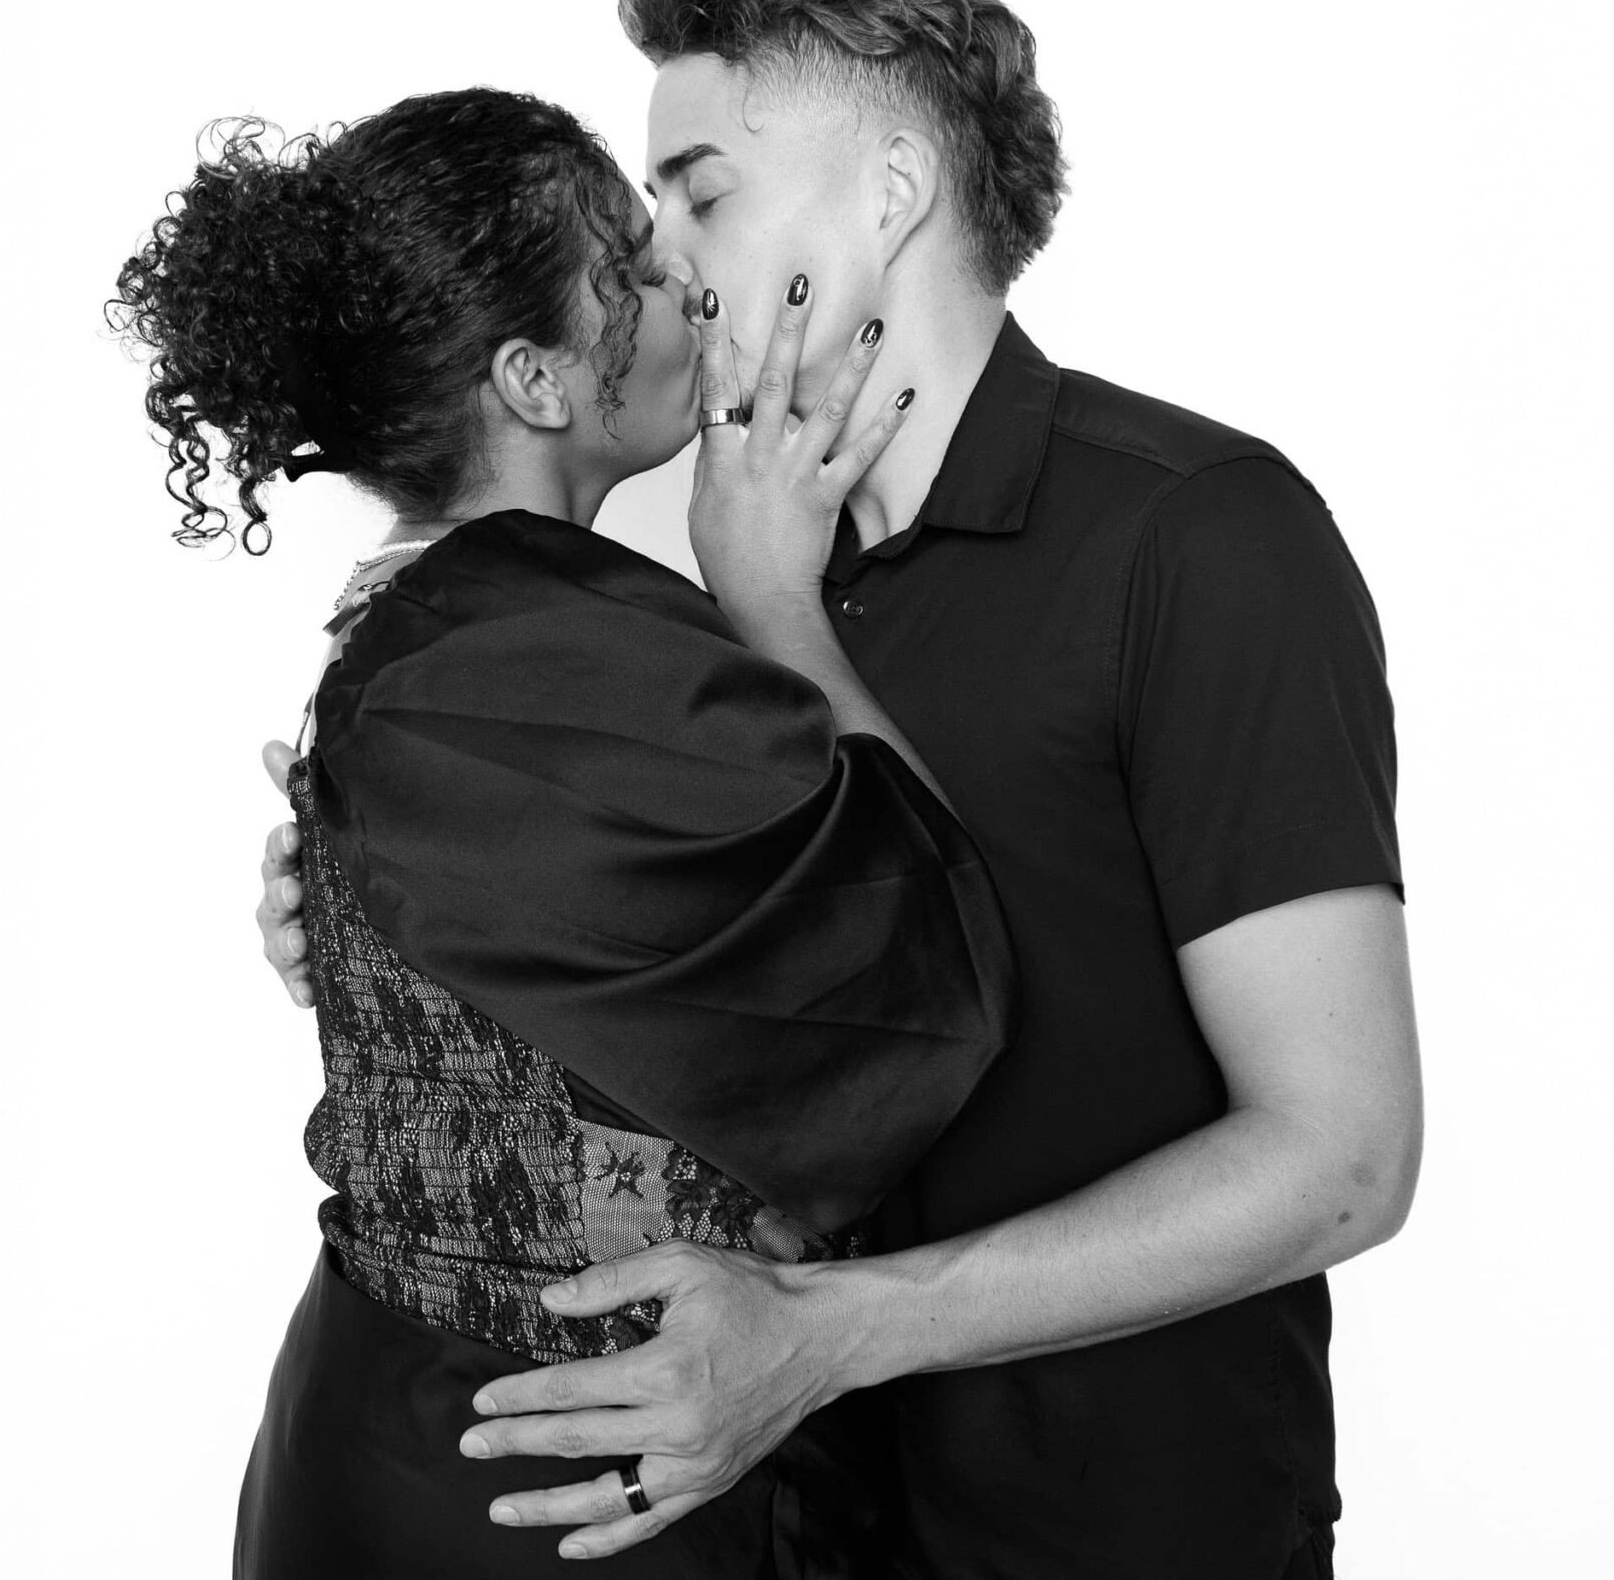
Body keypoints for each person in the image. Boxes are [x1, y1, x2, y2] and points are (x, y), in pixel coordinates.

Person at [256, 0, 1424, 1578]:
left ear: (891, 191)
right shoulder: (671, 585)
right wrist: (379, 920)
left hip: (1116, 1528)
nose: (657, 261)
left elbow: (1344, 1155)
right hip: (788, 1525)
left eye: (699, 190)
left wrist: (835, 1327)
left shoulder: (1200, 537)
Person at [113, 86, 1015, 1578]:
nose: (679, 283)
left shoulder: (431, 625)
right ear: (534, 380)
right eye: (628, 270)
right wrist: (775, 592)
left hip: (436, 1435)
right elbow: (932, 965)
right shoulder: (528, 647)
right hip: (539, 1484)